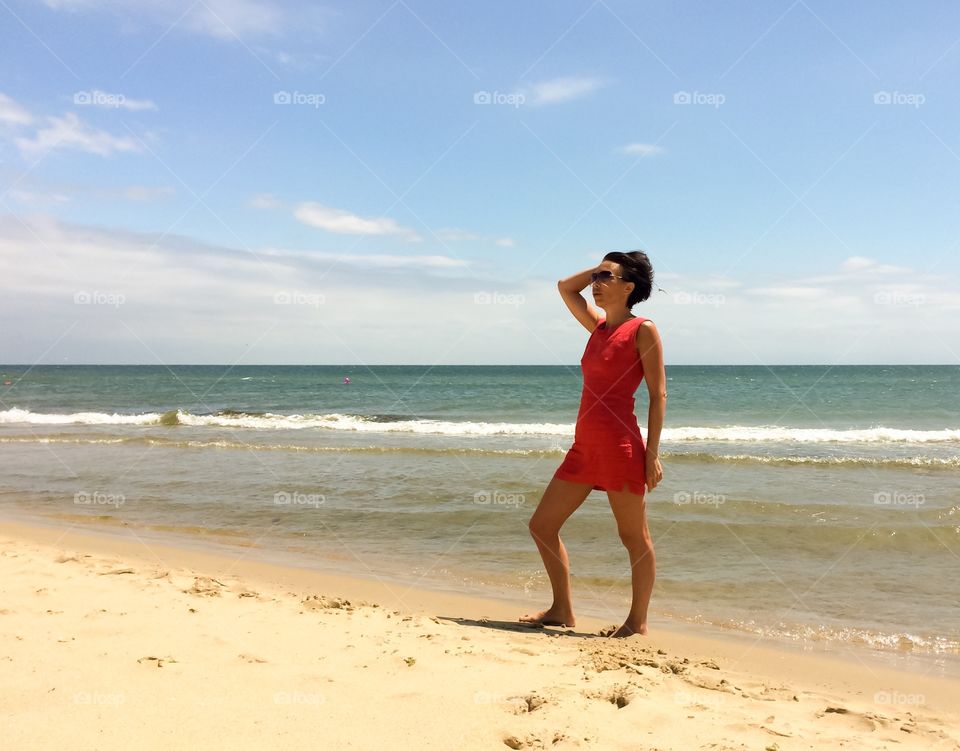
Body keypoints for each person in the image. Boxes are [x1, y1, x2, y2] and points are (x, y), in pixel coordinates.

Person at [521, 251, 666, 637]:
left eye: (606, 277)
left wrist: (652, 455)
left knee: (634, 538)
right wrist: (600, 267)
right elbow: (565, 287)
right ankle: (562, 609)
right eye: (597, 276)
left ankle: (637, 622)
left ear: (628, 287)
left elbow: (658, 395)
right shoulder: (597, 327)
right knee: (542, 525)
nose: (596, 284)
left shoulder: (643, 330)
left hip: (620, 447)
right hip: (583, 448)